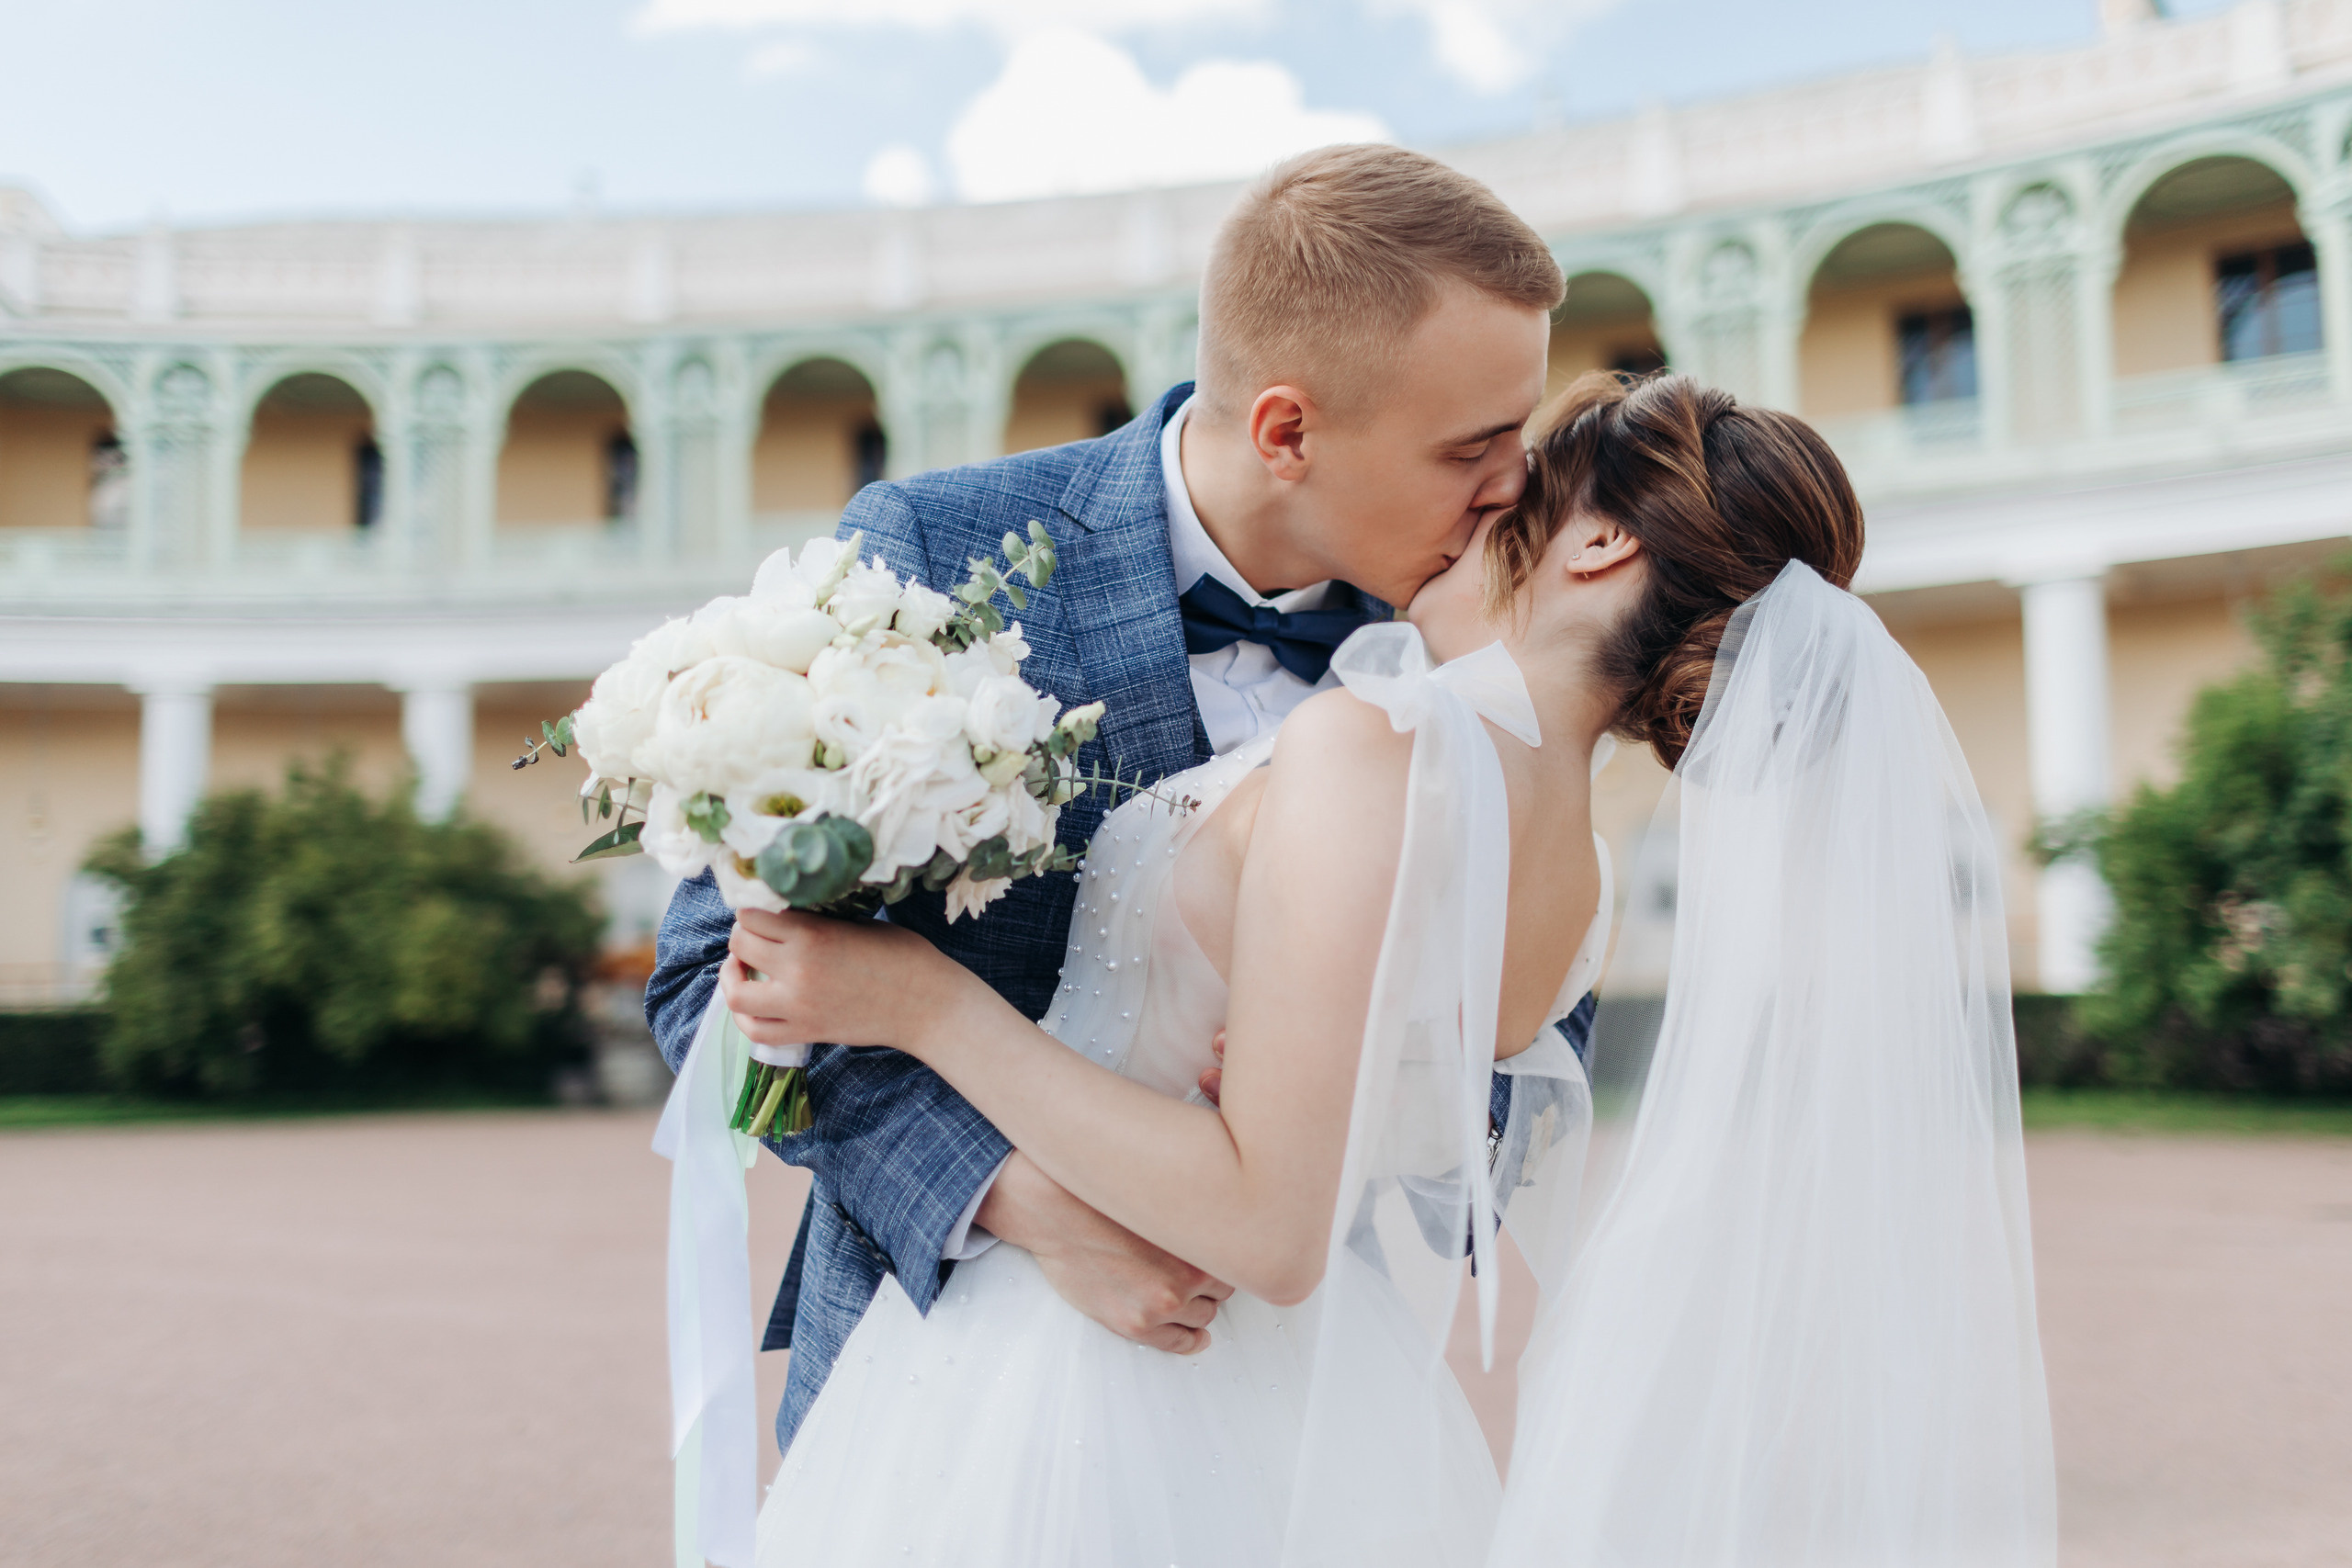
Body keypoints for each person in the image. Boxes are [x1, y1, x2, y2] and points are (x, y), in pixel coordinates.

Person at [723, 371, 2056, 1566]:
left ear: (1600, 543)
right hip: (1315, 1402)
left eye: (1513, 483)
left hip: (1085, 1377)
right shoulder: (1579, 876)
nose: (1471, 507)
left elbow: (1271, 1227)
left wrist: (926, 1005)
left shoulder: (1371, 749)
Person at [642, 142, 1576, 1456]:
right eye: (1473, 446)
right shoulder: (940, 555)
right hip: (940, 1386)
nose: (1517, 484)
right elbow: (714, 979)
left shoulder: (1482, 627)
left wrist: (1387, 1083)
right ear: (1288, 431)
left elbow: (1535, 1034)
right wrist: (1019, 1200)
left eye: (1521, 433)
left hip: (1299, 1400)